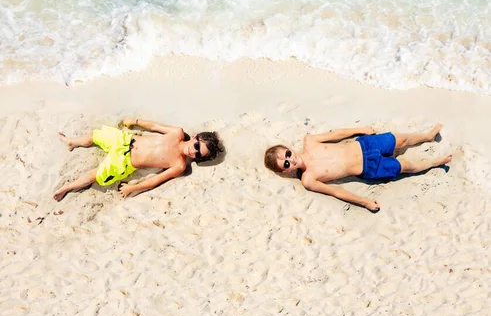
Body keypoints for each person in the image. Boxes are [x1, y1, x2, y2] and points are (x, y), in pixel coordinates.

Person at [264, 124, 451, 213]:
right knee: (406, 166)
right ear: (285, 171)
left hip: (366, 145)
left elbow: (336, 132)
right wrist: (364, 202)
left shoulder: (310, 141)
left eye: (287, 154)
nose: (291, 159)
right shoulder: (308, 179)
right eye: (286, 164)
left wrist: (358, 130)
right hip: (369, 167)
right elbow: (335, 191)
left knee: (400, 140)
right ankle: (434, 163)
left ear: (288, 148)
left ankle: (426, 136)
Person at [54, 118, 224, 201]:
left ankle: (67, 188)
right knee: (94, 135)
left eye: (199, 155)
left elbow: (156, 180)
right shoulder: (177, 133)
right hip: (126, 140)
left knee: (95, 176)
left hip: (125, 161)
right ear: (195, 137)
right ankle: (72, 142)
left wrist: (132, 188)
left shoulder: (179, 164)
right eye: (197, 146)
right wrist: (135, 121)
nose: (194, 152)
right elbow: (154, 126)